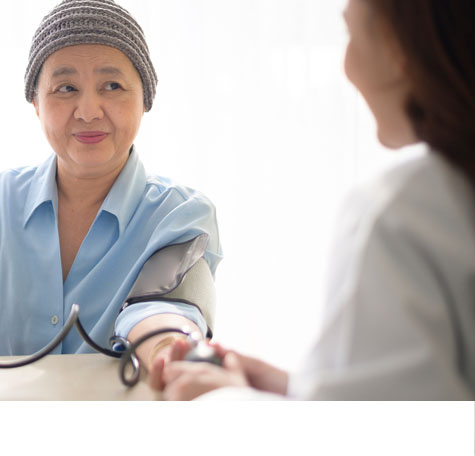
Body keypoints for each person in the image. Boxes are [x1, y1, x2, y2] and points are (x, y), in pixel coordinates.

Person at [159, 0, 475, 400]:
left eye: (352, 34)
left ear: (399, 48)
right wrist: (303, 392)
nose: (346, 67)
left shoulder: (400, 215)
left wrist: (226, 400)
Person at [0, 0, 222, 372]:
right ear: (35, 102)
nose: (89, 110)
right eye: (65, 88)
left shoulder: (181, 214)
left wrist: (166, 347)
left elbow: (165, 311)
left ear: (145, 99)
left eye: (112, 85)